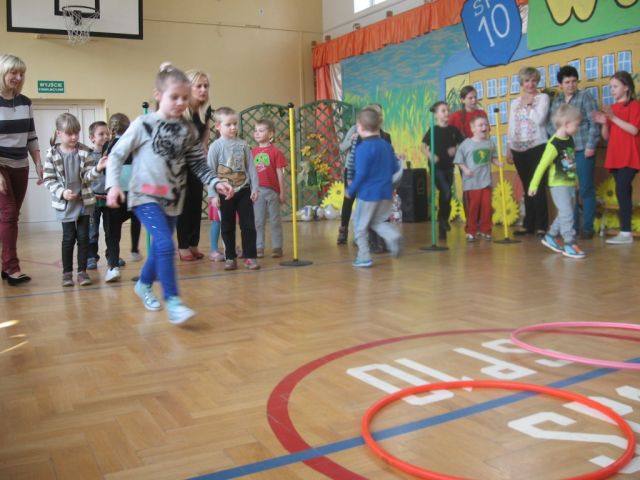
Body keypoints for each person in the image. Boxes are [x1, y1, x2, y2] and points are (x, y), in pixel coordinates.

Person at [106, 63, 234, 325]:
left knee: (159, 249)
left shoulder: (188, 129)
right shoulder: (143, 124)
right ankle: (173, 301)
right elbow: (116, 155)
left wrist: (215, 181)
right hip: (144, 197)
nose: (180, 103)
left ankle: (143, 285)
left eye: (184, 98)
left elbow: (198, 163)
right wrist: (113, 185)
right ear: (158, 95)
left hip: (173, 200)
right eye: (174, 97)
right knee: (166, 245)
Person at [43, 113, 108, 286]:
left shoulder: (85, 151)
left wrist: (98, 168)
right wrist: (62, 192)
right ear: (59, 133)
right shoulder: (52, 153)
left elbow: (88, 176)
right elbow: (48, 179)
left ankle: (82, 272)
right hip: (65, 205)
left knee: (83, 237)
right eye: (69, 133)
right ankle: (67, 273)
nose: (74, 137)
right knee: (68, 238)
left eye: (76, 133)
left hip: (83, 203)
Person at [0, 54, 42, 286]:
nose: (17, 77)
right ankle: (12, 268)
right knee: (8, 214)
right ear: (2, 73)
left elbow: (31, 136)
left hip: (20, 165)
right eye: (13, 72)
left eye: (21, 73)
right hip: (1, 165)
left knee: (12, 216)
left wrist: (38, 162)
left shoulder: (25, 102)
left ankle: (6, 265)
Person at [547, 65, 600, 239]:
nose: (571, 85)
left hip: (583, 149)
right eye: (567, 82)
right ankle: (573, 227)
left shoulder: (585, 96)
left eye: (574, 81)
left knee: (585, 189)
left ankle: (587, 227)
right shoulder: (557, 102)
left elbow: (594, 123)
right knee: (570, 191)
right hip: (566, 153)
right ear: (560, 85)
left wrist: (591, 145)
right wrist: (558, 142)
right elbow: (551, 126)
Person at [345, 107, 401, 268]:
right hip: (386, 193)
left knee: (359, 226)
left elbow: (361, 174)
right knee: (377, 222)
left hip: (368, 195)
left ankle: (363, 257)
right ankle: (393, 237)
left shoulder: (363, 148)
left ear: (361, 127)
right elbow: (395, 168)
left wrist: (350, 190)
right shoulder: (386, 145)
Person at [207, 106, 260, 271]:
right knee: (227, 226)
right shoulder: (215, 147)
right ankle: (230, 257)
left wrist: (255, 188)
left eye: (235, 124)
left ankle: (250, 257)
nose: (233, 127)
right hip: (224, 193)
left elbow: (251, 168)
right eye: (228, 124)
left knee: (248, 225)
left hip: (244, 190)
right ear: (218, 126)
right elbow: (210, 172)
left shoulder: (243, 145)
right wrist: (213, 195)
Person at [529, 104, 585, 259]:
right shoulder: (553, 144)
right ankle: (569, 243)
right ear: (566, 124)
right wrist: (533, 185)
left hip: (569, 183)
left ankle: (551, 236)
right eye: (576, 125)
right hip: (558, 184)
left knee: (566, 213)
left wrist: (576, 179)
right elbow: (542, 165)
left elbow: (570, 162)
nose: (577, 128)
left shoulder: (569, 139)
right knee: (567, 214)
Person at [592, 71, 640, 245]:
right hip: (616, 155)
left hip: (630, 155)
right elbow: (607, 137)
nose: (612, 90)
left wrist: (613, 117)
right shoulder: (613, 108)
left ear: (626, 87)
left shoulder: (634, 105)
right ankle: (625, 232)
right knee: (623, 191)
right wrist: (604, 123)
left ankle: (625, 233)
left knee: (621, 189)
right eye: (611, 87)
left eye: (615, 86)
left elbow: (634, 130)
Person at [337, 103, 391, 246]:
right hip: (352, 170)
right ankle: (343, 229)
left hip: (370, 174)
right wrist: (352, 139)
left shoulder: (384, 135)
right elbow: (342, 148)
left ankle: (365, 235)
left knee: (366, 203)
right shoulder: (355, 129)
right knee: (349, 199)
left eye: (378, 114)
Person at [507, 66, 550, 237]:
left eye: (533, 80)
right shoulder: (515, 102)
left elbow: (539, 120)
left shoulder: (543, 98)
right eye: (526, 81)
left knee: (537, 185)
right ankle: (528, 224)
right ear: (521, 83)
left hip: (537, 146)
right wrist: (509, 147)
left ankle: (541, 225)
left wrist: (530, 105)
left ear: (537, 82)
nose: (530, 84)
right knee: (527, 186)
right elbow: (511, 126)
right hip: (518, 148)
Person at [177, 69, 213, 261]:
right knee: (184, 204)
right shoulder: (180, 111)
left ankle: (193, 244)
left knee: (196, 203)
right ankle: (183, 245)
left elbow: (205, 133)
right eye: (198, 86)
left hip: (196, 163)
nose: (203, 89)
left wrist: (204, 148)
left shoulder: (205, 111)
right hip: (179, 164)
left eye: (205, 86)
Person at [421, 101, 465, 240]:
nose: (447, 113)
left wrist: (455, 149)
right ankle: (442, 219)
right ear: (436, 115)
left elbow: (463, 145)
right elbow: (423, 146)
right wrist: (430, 155)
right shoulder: (433, 130)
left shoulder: (453, 130)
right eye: (443, 110)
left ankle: (442, 225)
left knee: (446, 195)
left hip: (449, 167)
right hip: (437, 167)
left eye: (447, 110)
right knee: (446, 191)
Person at [453, 116, 500, 241]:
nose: (484, 127)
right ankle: (471, 231)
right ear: (473, 128)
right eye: (480, 125)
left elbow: (492, 157)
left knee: (486, 207)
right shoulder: (466, 144)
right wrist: (465, 170)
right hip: (472, 183)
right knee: (473, 208)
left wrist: (498, 163)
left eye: (486, 124)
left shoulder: (490, 143)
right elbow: (459, 160)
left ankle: (486, 230)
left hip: (486, 182)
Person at [252, 118, 287, 258]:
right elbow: (250, 173)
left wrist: (282, 192)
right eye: (255, 130)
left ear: (271, 134)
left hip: (272, 192)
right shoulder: (252, 152)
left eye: (261, 131)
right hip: (258, 191)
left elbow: (280, 173)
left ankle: (277, 247)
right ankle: (258, 247)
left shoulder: (276, 152)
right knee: (258, 221)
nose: (257, 133)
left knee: (275, 220)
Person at [87, 121, 110, 270]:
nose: (106, 136)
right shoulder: (87, 156)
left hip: (109, 199)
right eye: (101, 134)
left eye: (108, 133)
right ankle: (91, 257)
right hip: (93, 200)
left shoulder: (112, 154)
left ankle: (112, 255)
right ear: (92, 138)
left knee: (111, 230)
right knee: (92, 231)